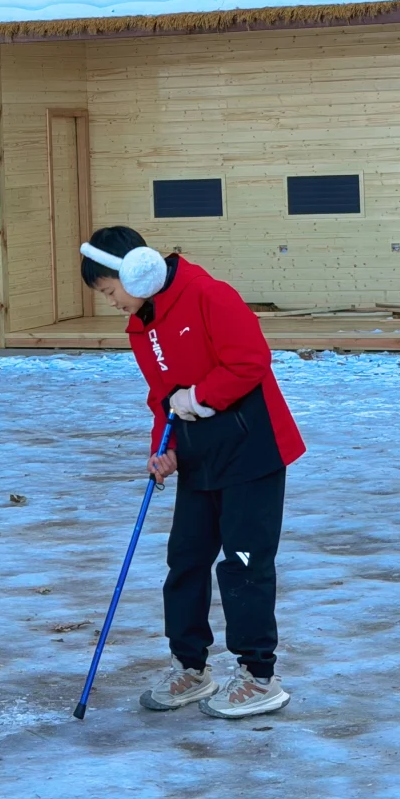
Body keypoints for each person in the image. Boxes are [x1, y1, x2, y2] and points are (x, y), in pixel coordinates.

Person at [80, 225, 305, 719]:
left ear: (134, 271)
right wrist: (165, 452)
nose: (111, 302)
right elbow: (163, 400)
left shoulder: (209, 295)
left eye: (109, 290)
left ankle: (258, 675)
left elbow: (249, 363)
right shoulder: (141, 326)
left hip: (252, 450)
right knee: (185, 558)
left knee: (243, 562)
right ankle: (191, 666)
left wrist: (199, 397)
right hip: (200, 456)